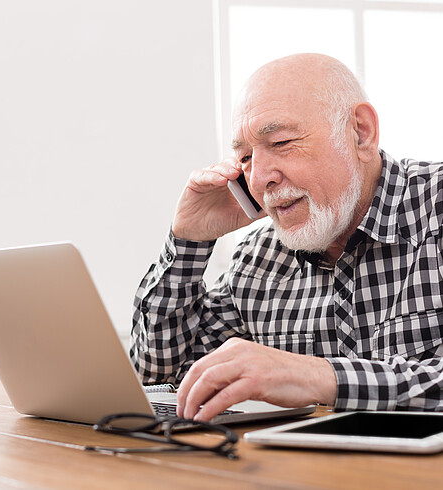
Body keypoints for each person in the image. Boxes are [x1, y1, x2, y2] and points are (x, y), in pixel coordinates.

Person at [130, 53, 443, 421]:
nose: (259, 179)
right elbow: (160, 377)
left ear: (361, 132)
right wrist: (188, 243)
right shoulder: (258, 259)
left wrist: (320, 377)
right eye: (245, 158)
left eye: (280, 143)